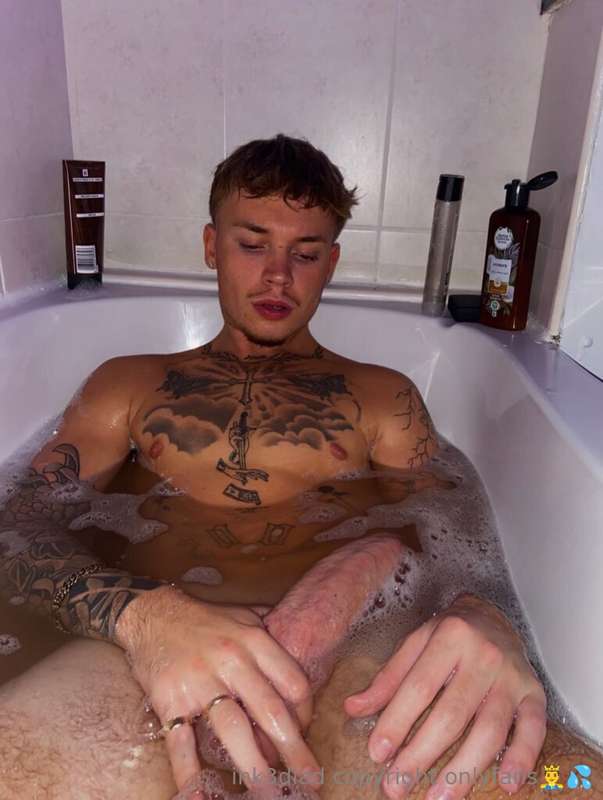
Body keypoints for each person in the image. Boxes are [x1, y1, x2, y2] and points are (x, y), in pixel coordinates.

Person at [0, 135, 596, 800]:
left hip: (353, 663)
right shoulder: (128, 384)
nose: (278, 276)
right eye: (252, 244)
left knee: (571, 783)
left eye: (305, 253)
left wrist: (485, 616)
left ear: (331, 262)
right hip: (145, 657)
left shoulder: (382, 396)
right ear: (211, 246)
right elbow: (19, 530)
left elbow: (456, 537)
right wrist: (146, 618)